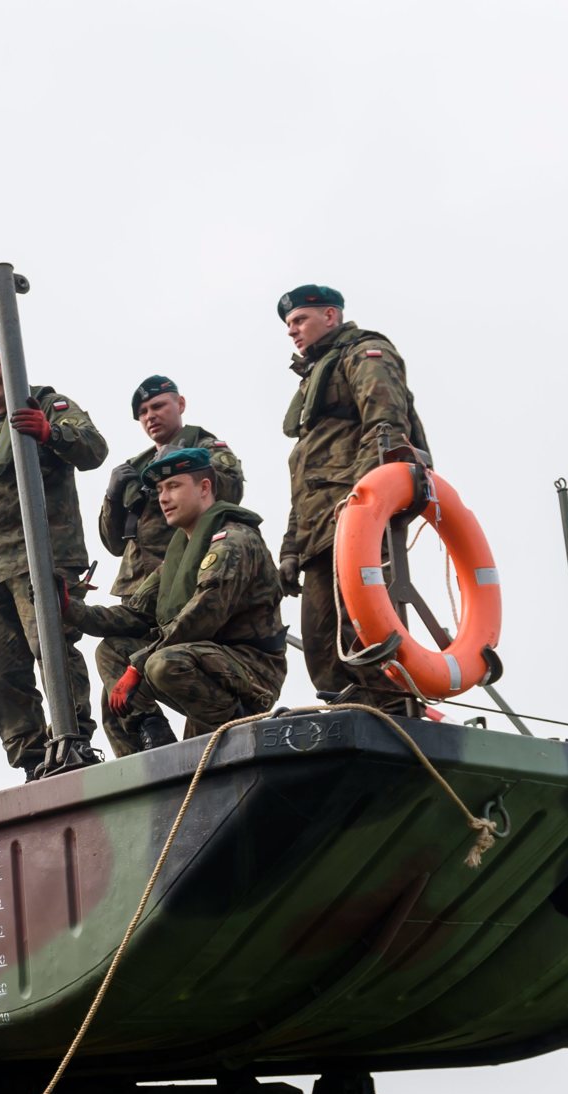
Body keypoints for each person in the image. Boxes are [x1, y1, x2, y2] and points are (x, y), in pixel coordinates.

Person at [274, 285, 430, 716]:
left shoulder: (364, 353)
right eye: (288, 325)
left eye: (300, 320)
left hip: (355, 518)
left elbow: (385, 426)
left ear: (330, 315)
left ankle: (392, 719)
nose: (292, 331)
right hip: (319, 531)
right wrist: (291, 548)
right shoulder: (314, 377)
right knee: (322, 644)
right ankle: (351, 720)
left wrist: (361, 506)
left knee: (365, 635)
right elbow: (305, 478)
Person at [0, 334, 106, 778]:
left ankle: (72, 743)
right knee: (1, 669)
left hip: (41, 553)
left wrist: (50, 432)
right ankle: (32, 758)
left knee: (53, 647)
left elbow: (94, 449)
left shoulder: (48, 403)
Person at [71, 447, 286, 736]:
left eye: (174, 486)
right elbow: (136, 614)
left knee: (162, 664)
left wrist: (138, 667)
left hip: (251, 670)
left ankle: (241, 726)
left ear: (204, 488)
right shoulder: (179, 555)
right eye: (159, 489)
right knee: (112, 652)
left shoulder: (234, 540)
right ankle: (154, 743)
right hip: (204, 660)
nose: (163, 498)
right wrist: (68, 607)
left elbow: (203, 615)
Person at [94, 376, 246, 755]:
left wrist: (184, 469)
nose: (151, 416)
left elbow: (231, 491)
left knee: (182, 672)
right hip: (139, 592)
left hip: (189, 586)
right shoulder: (137, 467)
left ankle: (206, 762)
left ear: (180, 403)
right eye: (143, 412)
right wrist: (114, 494)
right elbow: (113, 542)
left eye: (158, 406)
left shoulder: (206, 447)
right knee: (116, 697)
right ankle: (147, 764)